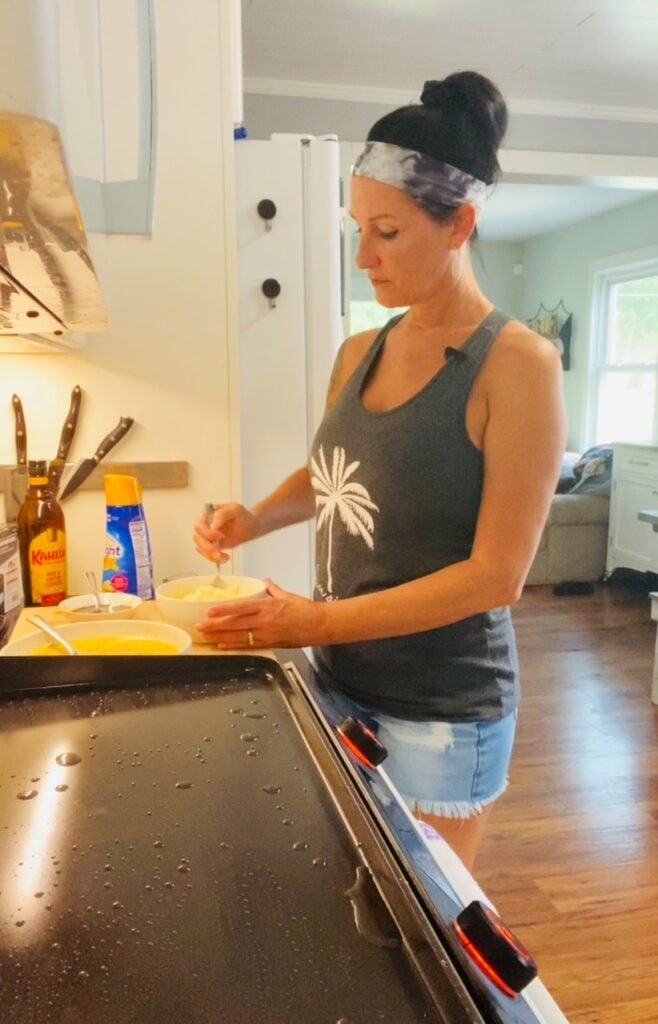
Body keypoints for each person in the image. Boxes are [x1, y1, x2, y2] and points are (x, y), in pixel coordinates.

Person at [193, 70, 566, 872]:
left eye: (388, 232)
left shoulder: (517, 365)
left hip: (442, 712)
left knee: (430, 925)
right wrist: (254, 518)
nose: (363, 256)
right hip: (343, 681)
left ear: (459, 222)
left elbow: (497, 577)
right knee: (361, 893)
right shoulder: (361, 349)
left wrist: (314, 621)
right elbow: (338, 470)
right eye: (355, 228)